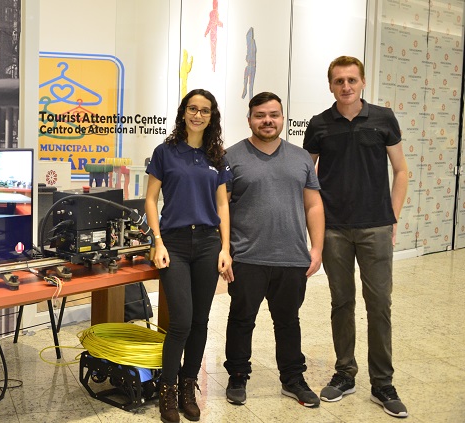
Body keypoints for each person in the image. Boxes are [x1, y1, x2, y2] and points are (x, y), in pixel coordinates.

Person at [303, 55, 409, 418]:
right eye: (338, 81)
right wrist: (313, 227)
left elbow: (400, 170)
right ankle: (344, 373)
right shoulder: (319, 125)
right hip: (334, 229)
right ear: (330, 85)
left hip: (375, 228)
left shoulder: (383, 118)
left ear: (362, 81)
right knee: (341, 302)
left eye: (351, 80)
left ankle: (383, 383)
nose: (345, 86)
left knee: (379, 305)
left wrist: (391, 217)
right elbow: (307, 179)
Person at [222, 92, 324, 408]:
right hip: (247, 256)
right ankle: (237, 376)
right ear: (250, 118)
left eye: (274, 115)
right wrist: (224, 250)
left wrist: (317, 248)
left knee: (288, 321)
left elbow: (313, 205)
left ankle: (293, 379)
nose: (268, 120)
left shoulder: (301, 158)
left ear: (282, 118)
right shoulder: (230, 157)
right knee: (241, 320)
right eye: (261, 115)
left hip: (291, 257)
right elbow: (220, 206)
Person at [145, 88, 234, 423]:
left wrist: (225, 248)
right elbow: (151, 200)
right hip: (176, 244)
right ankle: (167, 389)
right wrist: (157, 241)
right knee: (181, 320)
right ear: (183, 113)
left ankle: (188, 385)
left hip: (209, 244)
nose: (198, 115)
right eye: (193, 109)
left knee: (200, 321)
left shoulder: (217, 156)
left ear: (212, 117)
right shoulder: (165, 152)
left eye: (205, 110)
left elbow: (223, 205)